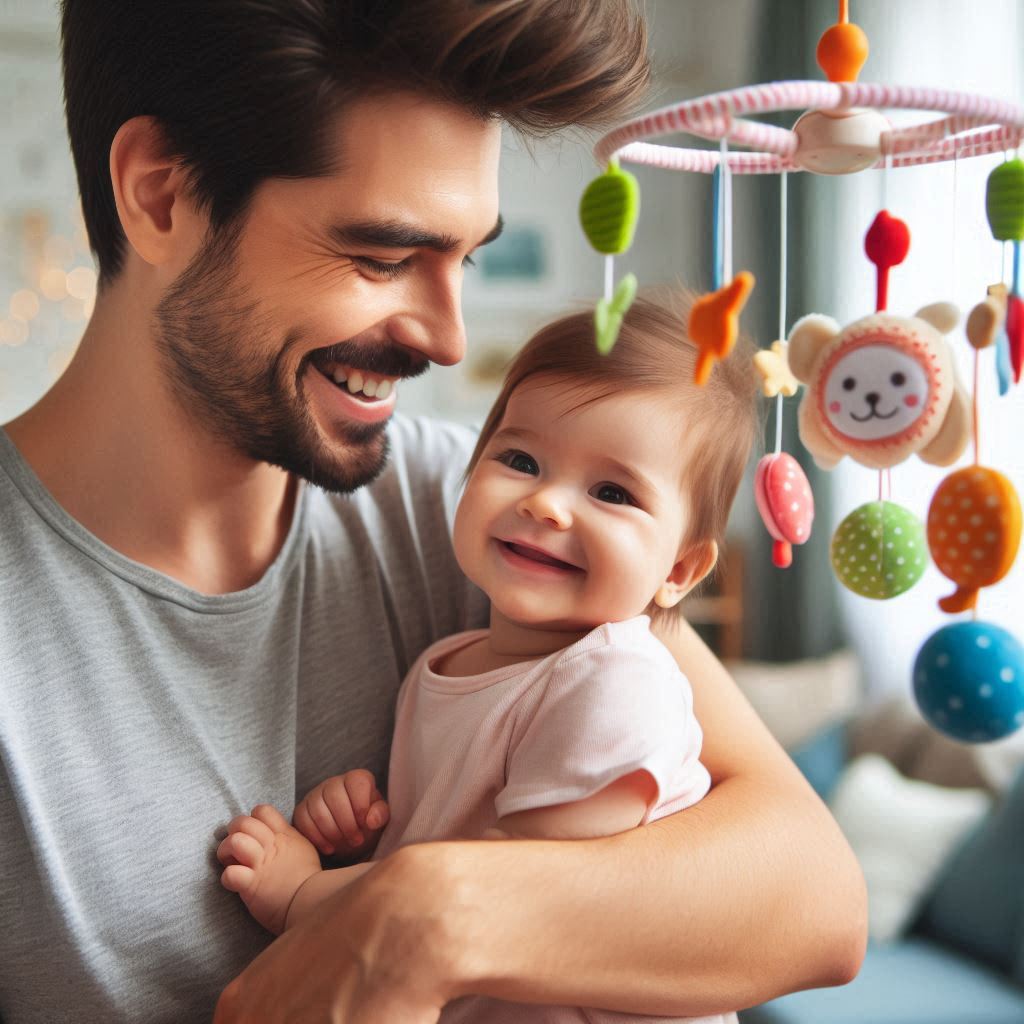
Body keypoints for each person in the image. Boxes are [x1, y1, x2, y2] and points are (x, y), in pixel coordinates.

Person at [0, 2, 866, 1022]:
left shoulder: (476, 512)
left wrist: (425, 913)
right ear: (162, 194)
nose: (450, 340)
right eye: (381, 256)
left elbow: (816, 898)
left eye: (466, 257)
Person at [217, 297, 756, 1024]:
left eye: (612, 492)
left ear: (681, 570)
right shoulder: (450, 660)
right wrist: (370, 832)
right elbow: (450, 841)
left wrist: (303, 894)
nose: (547, 505)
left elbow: (510, 900)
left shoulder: (617, 682)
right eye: (520, 460)